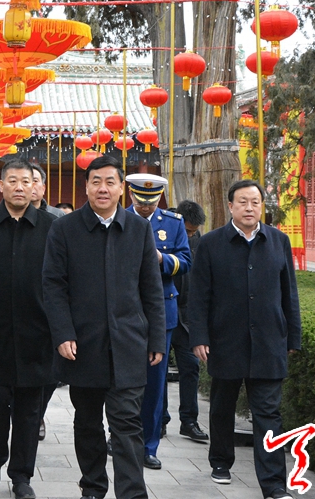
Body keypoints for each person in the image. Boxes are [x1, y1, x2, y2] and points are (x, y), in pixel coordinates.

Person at [42, 155, 164, 499]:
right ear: (86, 187)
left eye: (110, 182)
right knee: (87, 421)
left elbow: (151, 288)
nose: (103, 188)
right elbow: (53, 285)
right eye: (96, 181)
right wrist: (63, 333)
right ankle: (93, 486)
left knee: (127, 423)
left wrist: (156, 337)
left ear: (121, 188)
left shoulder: (138, 229)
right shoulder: (64, 229)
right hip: (83, 344)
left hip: (128, 344)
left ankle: (132, 493)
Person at [188, 180, 301, 499]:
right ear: (231, 206)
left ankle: (274, 484)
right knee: (222, 406)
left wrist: (293, 336)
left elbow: (289, 293)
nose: (249, 207)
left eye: (255, 202)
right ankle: (221, 461)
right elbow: (199, 296)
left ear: (261, 206)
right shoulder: (211, 243)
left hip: (268, 341)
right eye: (243, 202)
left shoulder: (278, 241)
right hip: (225, 340)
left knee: (268, 414)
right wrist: (199, 336)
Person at [0, 160, 57, 499]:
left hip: (38, 333)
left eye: (26, 181)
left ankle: (21, 475)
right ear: (1, 186)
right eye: (13, 181)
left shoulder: (53, 227)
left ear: (35, 187)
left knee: (29, 410)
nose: (20, 187)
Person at [124, 174, 191, 470]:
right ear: (131, 195)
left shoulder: (173, 223)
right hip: (124, 313)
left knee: (154, 384)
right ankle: (119, 438)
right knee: (121, 382)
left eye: (151, 202)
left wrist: (162, 259)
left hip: (161, 313)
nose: (145, 206)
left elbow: (186, 261)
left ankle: (148, 446)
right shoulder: (119, 220)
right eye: (140, 201)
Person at [166, 200, 209, 443]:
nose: (191, 235)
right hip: (163, 312)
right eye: (189, 231)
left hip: (187, 316)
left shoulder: (199, 241)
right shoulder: (162, 231)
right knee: (158, 370)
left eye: (194, 231)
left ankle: (189, 421)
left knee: (190, 367)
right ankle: (159, 420)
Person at [28, 162, 64, 441]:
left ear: (43, 187)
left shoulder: (58, 220)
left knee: (52, 371)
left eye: (34, 181)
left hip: (51, 303)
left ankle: (37, 412)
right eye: (23, 181)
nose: (29, 187)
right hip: (23, 302)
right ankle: (26, 413)